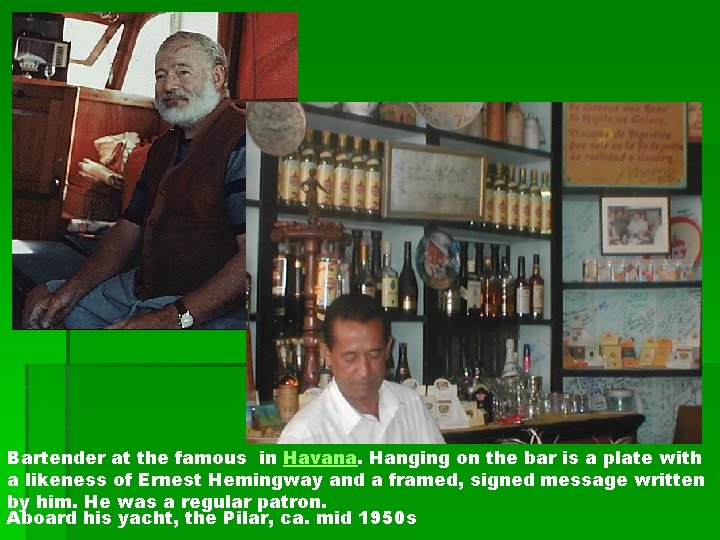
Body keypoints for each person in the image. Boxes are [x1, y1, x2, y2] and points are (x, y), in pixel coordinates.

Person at [22, 31, 246, 329]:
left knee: (125, 359)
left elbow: (254, 262)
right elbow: (129, 228)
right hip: (144, 289)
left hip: (207, 307)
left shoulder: (244, 142)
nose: (169, 85)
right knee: (41, 302)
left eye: (182, 72)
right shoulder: (164, 147)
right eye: (160, 75)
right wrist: (70, 292)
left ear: (217, 76)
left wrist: (168, 318)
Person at [277, 294, 445, 444]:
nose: (364, 370)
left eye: (374, 355)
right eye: (350, 358)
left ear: (388, 348)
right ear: (326, 353)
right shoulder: (304, 437)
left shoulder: (410, 405)